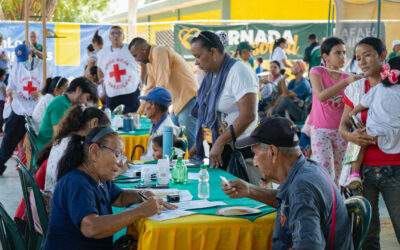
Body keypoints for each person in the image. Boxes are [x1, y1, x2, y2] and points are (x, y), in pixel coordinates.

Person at [221, 116, 353, 250]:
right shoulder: (307, 169)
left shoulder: (302, 189)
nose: (254, 162)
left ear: (273, 152)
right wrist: (250, 190)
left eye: (256, 154)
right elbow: (288, 200)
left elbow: (308, 247)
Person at [43, 126, 177, 249]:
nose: (120, 163)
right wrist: (140, 211)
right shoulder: (77, 182)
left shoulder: (98, 178)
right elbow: (91, 227)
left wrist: (143, 194)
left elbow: (120, 197)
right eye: (116, 154)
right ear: (94, 152)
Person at [339, 37, 400, 249]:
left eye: (367, 55)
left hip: (396, 169)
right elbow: (342, 127)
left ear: (383, 56)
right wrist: (352, 136)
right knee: (367, 234)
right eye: (357, 58)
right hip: (362, 172)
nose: (362, 62)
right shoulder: (356, 89)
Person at [14, 106, 111, 234]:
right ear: (94, 123)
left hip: (34, 214)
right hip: (37, 220)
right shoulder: (77, 148)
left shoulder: (66, 141)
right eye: (105, 134)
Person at [190, 31, 260, 184]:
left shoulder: (239, 71)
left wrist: (220, 141)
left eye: (198, 56)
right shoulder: (211, 75)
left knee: (245, 203)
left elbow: (248, 115)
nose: (196, 62)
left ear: (213, 52)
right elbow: (210, 115)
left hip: (241, 152)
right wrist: (199, 142)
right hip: (221, 149)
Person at [308, 37, 362, 183]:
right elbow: (321, 95)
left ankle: (336, 204)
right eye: (337, 53)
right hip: (320, 131)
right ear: (326, 57)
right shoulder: (317, 71)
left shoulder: (349, 77)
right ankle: (326, 203)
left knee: (338, 176)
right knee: (325, 173)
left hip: (341, 132)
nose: (342, 57)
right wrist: (345, 82)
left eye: (344, 53)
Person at [128, 37, 198, 149]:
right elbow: (149, 89)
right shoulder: (150, 62)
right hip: (177, 105)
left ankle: (196, 166)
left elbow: (162, 83)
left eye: (135, 55)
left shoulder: (159, 51)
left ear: (143, 49)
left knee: (188, 144)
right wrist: (138, 113)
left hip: (188, 99)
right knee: (174, 146)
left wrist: (152, 107)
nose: (136, 60)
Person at [345, 57, 400, 189]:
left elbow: (361, 106)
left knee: (358, 142)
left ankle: (354, 174)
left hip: (373, 132)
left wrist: (352, 114)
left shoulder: (377, 88)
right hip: (395, 134)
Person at [0, 44, 52, 175]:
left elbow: (51, 88)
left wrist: (40, 92)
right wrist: (10, 91)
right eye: (20, 60)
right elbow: (10, 85)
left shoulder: (44, 66)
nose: (23, 62)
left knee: (41, 141)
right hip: (19, 110)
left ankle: (42, 169)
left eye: (25, 58)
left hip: (38, 111)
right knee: (9, 139)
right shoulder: (16, 66)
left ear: (30, 54)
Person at [36, 77, 98, 151]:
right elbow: (59, 135)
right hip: (46, 151)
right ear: (78, 90)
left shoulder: (66, 103)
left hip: (50, 147)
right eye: (87, 98)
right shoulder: (61, 104)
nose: (86, 104)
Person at [97, 26, 141, 114]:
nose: (116, 36)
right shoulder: (102, 53)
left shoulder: (131, 50)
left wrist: (143, 81)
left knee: (132, 118)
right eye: (113, 33)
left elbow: (144, 64)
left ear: (123, 37)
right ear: (109, 37)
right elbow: (99, 69)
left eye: (119, 33)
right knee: (112, 119)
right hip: (112, 93)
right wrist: (102, 83)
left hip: (131, 91)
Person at [137, 87, 179, 160]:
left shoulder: (165, 131)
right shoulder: (158, 124)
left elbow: (163, 161)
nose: (145, 108)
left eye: (145, 103)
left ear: (153, 105)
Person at [0, 69, 6, 135]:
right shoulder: (1, 83)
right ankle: (0, 131)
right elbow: (4, 93)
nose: (5, 76)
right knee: (1, 116)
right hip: (2, 101)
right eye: (4, 75)